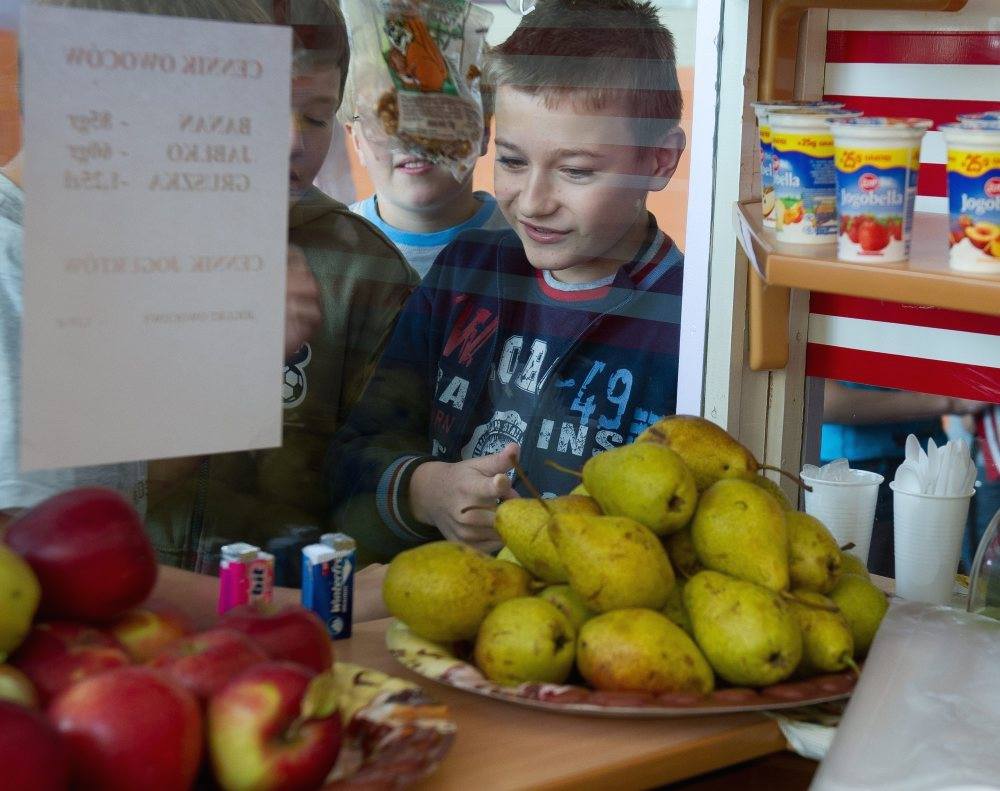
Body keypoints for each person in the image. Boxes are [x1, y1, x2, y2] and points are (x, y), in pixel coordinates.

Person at [1, 0, 395, 621]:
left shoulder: (86, 250)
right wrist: (313, 608)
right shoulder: (18, 264)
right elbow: (49, 567)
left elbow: (103, 498)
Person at [327, 0, 687, 564]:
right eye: (514, 162)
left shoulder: (689, 320)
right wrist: (426, 489)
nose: (534, 201)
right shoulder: (464, 271)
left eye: (576, 171)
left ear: (660, 160)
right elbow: (357, 446)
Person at [144, 0, 420, 578]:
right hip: (131, 591)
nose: (294, 141)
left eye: (317, 117)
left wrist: (335, 596)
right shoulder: (116, 248)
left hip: (292, 601)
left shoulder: (364, 273)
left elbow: (379, 466)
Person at [821, 380, 986, 577]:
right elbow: (827, 401)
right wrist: (950, 402)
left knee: (936, 586)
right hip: (858, 467)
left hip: (935, 460)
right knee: (868, 584)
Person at [344, 102, 508, 278]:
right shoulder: (332, 243)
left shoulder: (525, 239)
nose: (411, 137)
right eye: (385, 116)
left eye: (437, 114)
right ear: (358, 142)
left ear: (483, 132)